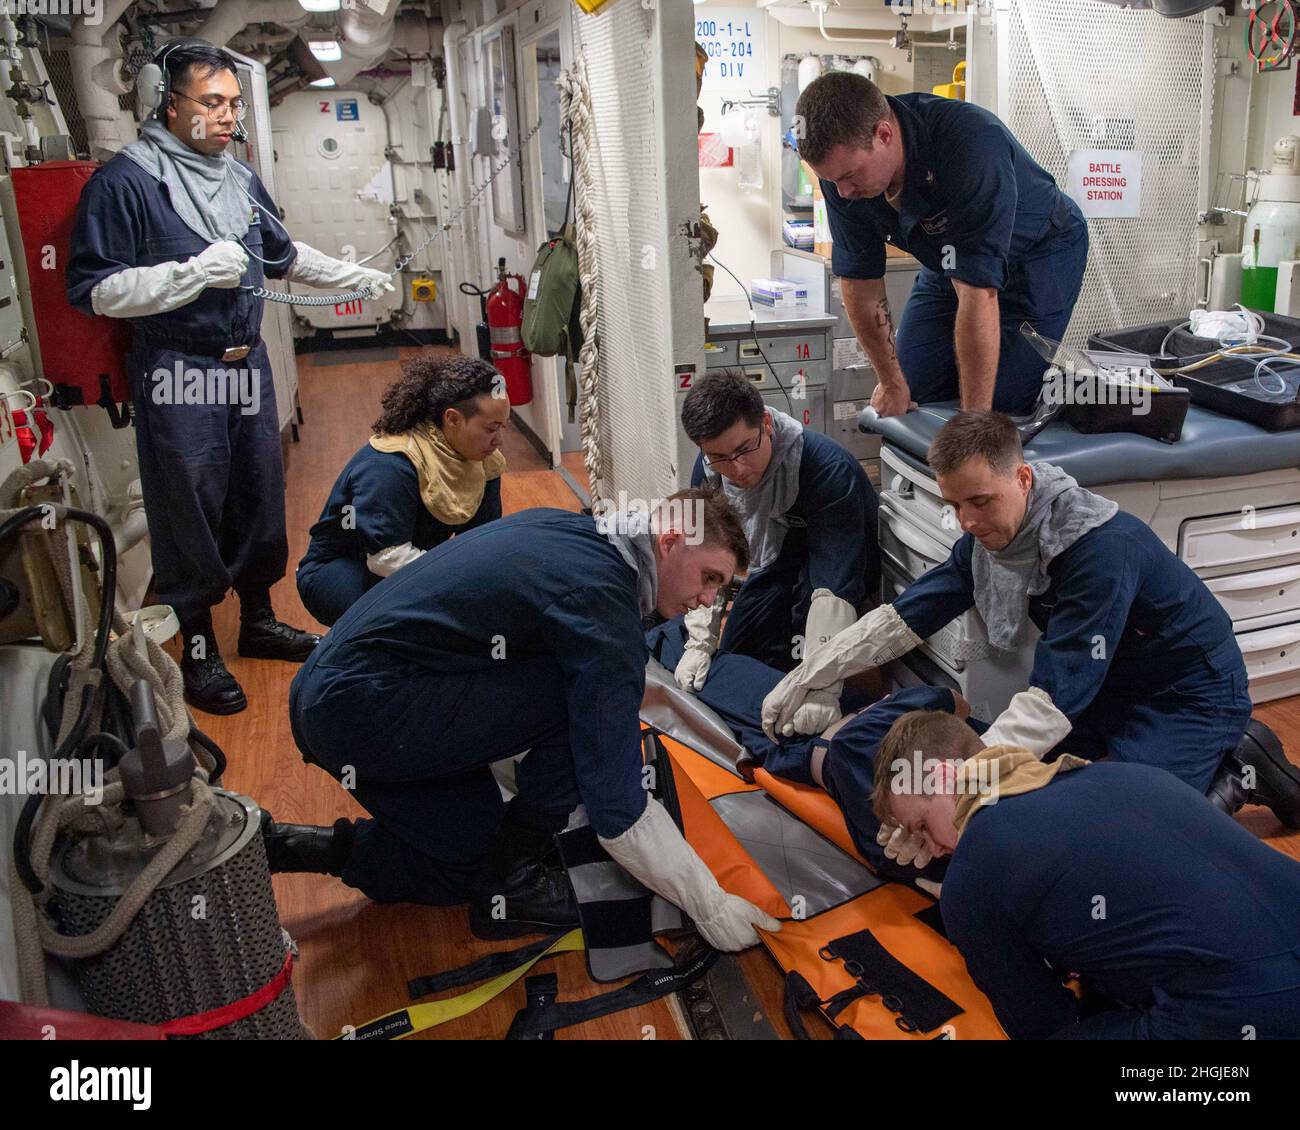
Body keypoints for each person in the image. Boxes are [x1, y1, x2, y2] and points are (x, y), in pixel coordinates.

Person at [276, 490, 781, 951]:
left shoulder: (577, 532)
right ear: (670, 542)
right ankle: (513, 887)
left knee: (471, 851)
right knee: (580, 702)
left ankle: (286, 844)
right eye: (710, 578)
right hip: (363, 712)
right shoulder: (603, 608)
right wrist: (711, 907)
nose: (710, 601)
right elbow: (619, 810)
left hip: (337, 691)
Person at [763, 410, 1300, 838]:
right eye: (955, 505)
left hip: (1188, 694)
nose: (967, 521)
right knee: (1046, 795)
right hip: (1110, 687)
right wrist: (819, 668)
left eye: (980, 501)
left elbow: (1059, 692)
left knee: (1133, 826)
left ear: (1023, 477)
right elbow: (914, 612)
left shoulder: (1097, 550)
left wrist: (963, 792)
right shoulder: (987, 539)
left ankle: (1235, 770)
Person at [66, 39, 395, 715]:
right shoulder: (124, 182)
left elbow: (280, 253)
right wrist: (186, 276)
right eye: (211, 103)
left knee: (257, 494)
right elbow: (95, 290)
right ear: (166, 101)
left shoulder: (238, 177)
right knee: (188, 507)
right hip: (178, 368)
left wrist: (346, 277)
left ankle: (256, 618)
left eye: (233, 104)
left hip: (244, 362)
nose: (227, 117)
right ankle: (195, 646)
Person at [872, 710, 1300, 1039]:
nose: (931, 850)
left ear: (946, 776)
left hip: (1250, 1015)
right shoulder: (1122, 773)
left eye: (923, 827)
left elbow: (1042, 1027)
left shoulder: (971, 878)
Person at [796, 71, 1089, 416]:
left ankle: (1074, 399)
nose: (843, 192)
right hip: (947, 256)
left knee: (999, 406)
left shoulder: (971, 142)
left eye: (849, 177)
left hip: (1039, 253)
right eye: (833, 180)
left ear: (884, 135)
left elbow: (978, 292)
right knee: (911, 385)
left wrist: (973, 425)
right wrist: (891, 383)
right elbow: (859, 283)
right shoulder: (842, 171)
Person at [675, 370, 878, 738]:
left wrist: (820, 687)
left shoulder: (829, 470)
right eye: (719, 457)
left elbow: (835, 585)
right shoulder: (710, 470)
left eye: (743, 450)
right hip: (775, 560)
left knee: (803, 673)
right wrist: (701, 641)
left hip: (837, 567)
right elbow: (709, 557)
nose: (735, 469)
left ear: (766, 423)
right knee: (735, 656)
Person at [297, 355, 507, 627]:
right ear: (453, 419)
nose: (499, 440)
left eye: (504, 426)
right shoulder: (390, 464)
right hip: (346, 567)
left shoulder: (482, 457)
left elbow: (482, 541)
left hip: (412, 559)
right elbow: (386, 558)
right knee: (417, 625)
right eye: (491, 428)